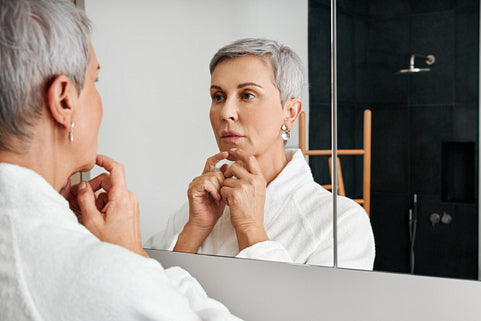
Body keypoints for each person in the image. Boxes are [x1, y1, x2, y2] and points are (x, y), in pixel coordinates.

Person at [0, 0, 241, 320]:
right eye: (94, 82)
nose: (227, 113)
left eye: (247, 94)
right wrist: (131, 256)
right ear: (63, 100)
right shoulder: (100, 275)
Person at [146, 38, 375, 269]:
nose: (226, 112)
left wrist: (250, 229)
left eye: (247, 95)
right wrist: (194, 231)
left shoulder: (341, 223)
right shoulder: (194, 211)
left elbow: (316, 306)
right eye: (218, 96)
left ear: (290, 112)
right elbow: (149, 300)